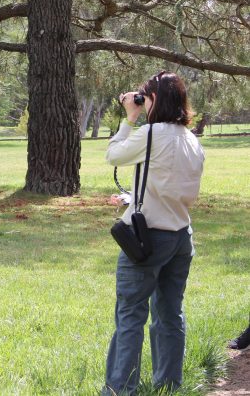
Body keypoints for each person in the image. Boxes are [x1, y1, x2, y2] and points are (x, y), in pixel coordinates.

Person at [102, 71, 205, 395]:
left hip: (148, 239)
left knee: (131, 315)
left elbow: (114, 155)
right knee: (170, 313)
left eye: (144, 98)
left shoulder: (152, 134)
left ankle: (120, 389)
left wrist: (128, 119)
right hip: (181, 236)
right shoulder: (192, 140)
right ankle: (168, 386)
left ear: (155, 99)